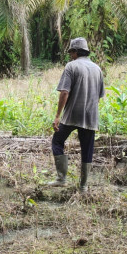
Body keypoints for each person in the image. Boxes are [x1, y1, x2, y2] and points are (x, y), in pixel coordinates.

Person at [48, 37, 105, 191]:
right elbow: (99, 95)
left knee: (57, 141)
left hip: (72, 114)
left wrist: (58, 115)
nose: (71, 55)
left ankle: (61, 178)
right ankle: (84, 185)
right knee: (87, 149)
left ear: (75, 52)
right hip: (90, 116)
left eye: (71, 52)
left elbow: (64, 92)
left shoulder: (71, 66)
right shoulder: (97, 69)